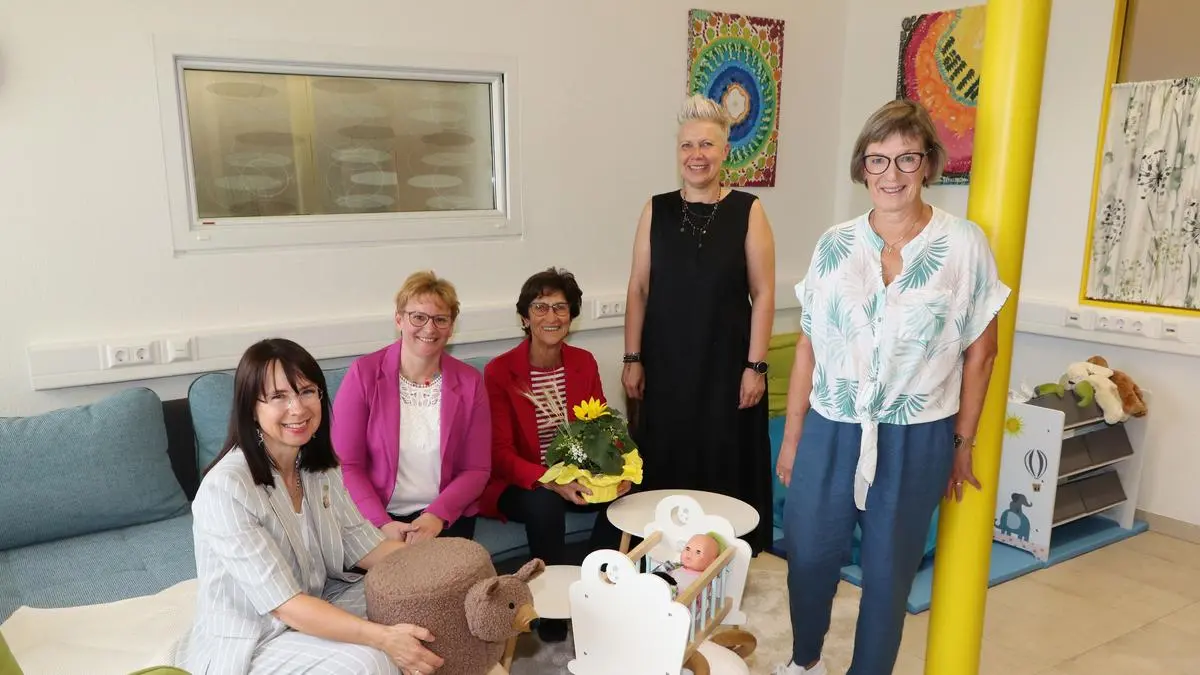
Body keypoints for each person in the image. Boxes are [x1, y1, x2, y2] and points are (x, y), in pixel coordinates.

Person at [773, 99, 1011, 675]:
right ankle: (805, 663)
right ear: (862, 168)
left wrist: (961, 443)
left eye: (907, 158)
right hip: (831, 427)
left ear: (928, 164)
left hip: (916, 434)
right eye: (878, 160)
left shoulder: (964, 245)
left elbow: (982, 352)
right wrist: (793, 436)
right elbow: (809, 343)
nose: (892, 174)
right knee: (808, 557)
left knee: (887, 574)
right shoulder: (834, 244)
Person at [176, 338, 444, 675]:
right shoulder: (226, 488)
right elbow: (285, 605)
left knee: (422, 605)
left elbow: (365, 547)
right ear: (251, 408)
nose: (298, 408)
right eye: (278, 397)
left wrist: (443, 563)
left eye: (306, 391)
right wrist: (382, 638)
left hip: (318, 603)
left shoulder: (318, 468)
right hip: (256, 637)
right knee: (369, 660)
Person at [622, 94, 777, 554]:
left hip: (726, 370)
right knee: (666, 466)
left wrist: (757, 366)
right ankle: (668, 558)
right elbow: (637, 289)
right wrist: (632, 357)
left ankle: (725, 560)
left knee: (723, 466)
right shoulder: (656, 209)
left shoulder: (749, 211)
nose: (696, 155)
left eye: (706, 144)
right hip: (666, 369)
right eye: (687, 146)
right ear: (678, 152)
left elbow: (764, 293)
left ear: (725, 150)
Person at [480, 267, 627, 642]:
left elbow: (601, 427)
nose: (551, 317)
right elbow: (499, 454)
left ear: (571, 316)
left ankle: (592, 582)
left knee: (635, 487)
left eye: (560, 308)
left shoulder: (583, 362)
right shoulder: (500, 372)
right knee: (544, 505)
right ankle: (555, 612)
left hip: (576, 473)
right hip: (523, 481)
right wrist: (553, 481)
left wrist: (618, 468)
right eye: (540, 307)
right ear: (525, 318)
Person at [333, 271, 491, 544]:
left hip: (445, 517)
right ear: (399, 320)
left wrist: (436, 516)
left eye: (440, 319)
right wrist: (381, 523)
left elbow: (476, 469)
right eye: (418, 317)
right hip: (376, 516)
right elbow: (347, 464)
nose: (429, 329)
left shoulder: (470, 382)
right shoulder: (364, 374)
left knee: (453, 583)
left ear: (451, 327)